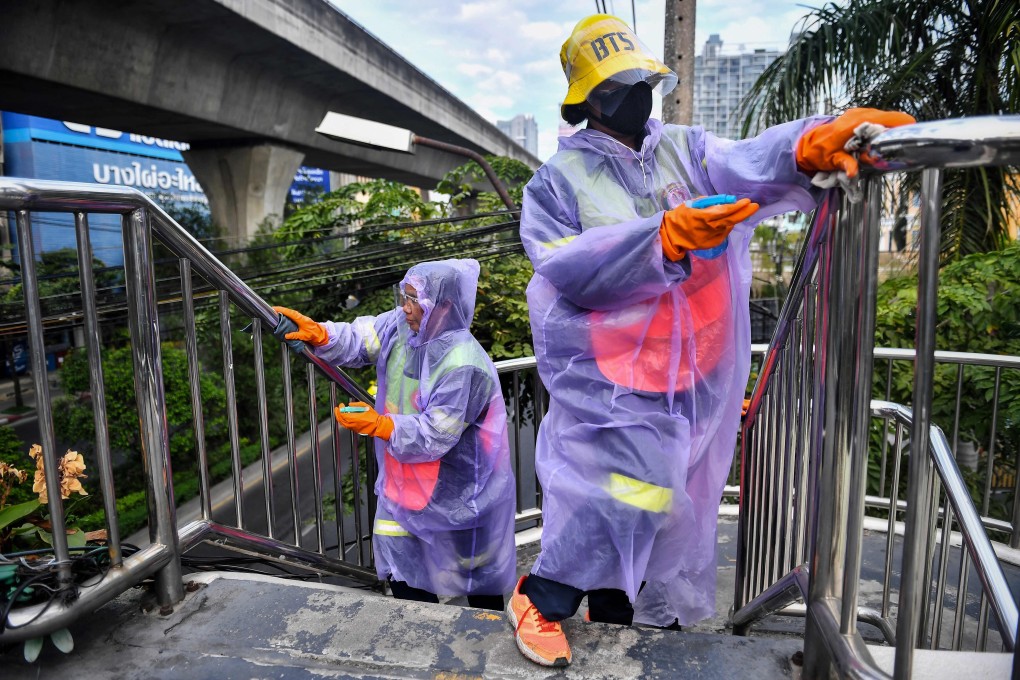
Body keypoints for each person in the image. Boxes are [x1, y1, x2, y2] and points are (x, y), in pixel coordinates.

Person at [505, 13, 915, 667]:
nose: (635, 95)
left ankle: (636, 630)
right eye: (617, 87)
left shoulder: (684, 149)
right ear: (588, 100)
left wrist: (805, 147)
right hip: (616, 381)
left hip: (690, 372)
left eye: (642, 81)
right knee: (626, 492)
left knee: (668, 509)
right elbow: (562, 263)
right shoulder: (558, 183)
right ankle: (543, 596)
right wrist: (658, 239)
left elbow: (746, 162)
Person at [274, 258, 517, 611]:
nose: (405, 308)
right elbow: (361, 338)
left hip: (461, 491)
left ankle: (485, 650)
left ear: (445, 306)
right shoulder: (402, 328)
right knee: (404, 573)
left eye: (415, 300)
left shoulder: (465, 364)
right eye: (404, 296)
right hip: (404, 483)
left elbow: (436, 434)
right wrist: (322, 334)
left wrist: (382, 425)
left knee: (476, 580)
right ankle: (425, 639)